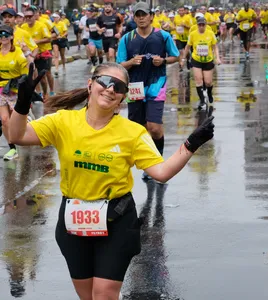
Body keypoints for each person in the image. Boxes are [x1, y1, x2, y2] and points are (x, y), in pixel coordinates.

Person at [9, 61, 214, 300]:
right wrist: (22, 105)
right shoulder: (62, 121)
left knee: (104, 295)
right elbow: (17, 135)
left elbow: (161, 172)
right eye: (105, 82)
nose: (110, 89)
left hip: (116, 222)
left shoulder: (132, 132)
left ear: (122, 98)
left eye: (118, 87)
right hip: (74, 222)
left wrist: (191, 144)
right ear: (90, 85)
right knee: (88, 297)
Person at [116, 2, 180, 179]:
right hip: (134, 87)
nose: (141, 18)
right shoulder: (127, 39)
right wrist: (131, 62)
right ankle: (148, 163)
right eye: (138, 15)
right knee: (140, 129)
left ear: (151, 16)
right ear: (134, 18)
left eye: (144, 14)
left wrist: (164, 61)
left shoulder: (163, 36)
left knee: (155, 127)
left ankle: (157, 162)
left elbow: (176, 56)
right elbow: (120, 64)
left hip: (156, 85)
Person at [0, 25, 28, 161]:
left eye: (6, 34)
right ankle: (12, 149)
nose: (3, 37)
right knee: (5, 120)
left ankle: (29, 135)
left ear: (11, 36)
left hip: (15, 89)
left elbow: (25, 72)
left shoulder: (17, 52)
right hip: (1, 89)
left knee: (17, 119)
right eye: (0, 34)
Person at [181, 16, 221, 108]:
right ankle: (202, 100)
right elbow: (187, 47)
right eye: (200, 25)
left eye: (203, 25)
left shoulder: (210, 33)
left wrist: (217, 57)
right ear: (197, 25)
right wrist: (183, 59)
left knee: (208, 82)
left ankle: (209, 93)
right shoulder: (193, 34)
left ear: (206, 25)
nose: (201, 27)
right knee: (198, 81)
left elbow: (215, 47)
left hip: (208, 60)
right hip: (196, 60)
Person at [86, 5, 104, 71]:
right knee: (92, 51)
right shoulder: (88, 20)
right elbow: (86, 27)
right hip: (91, 38)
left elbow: (103, 27)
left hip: (99, 38)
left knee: (100, 54)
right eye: (90, 12)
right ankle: (94, 65)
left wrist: (100, 30)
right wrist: (87, 29)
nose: (91, 13)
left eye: (92, 12)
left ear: (96, 12)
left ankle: (101, 65)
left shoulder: (99, 19)